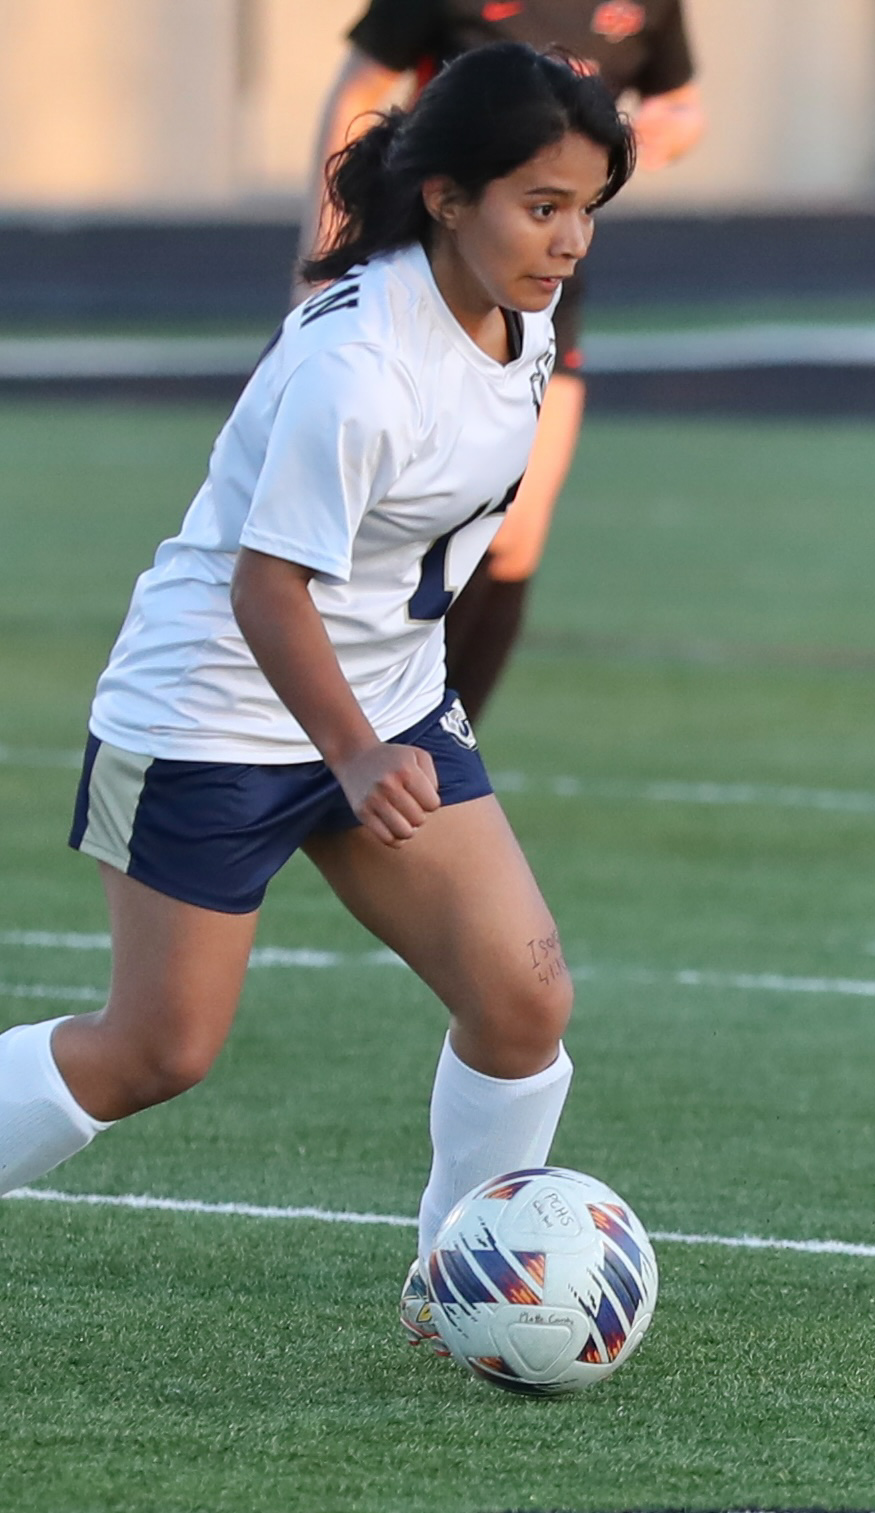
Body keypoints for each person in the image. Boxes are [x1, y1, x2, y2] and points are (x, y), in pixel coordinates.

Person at [0, 43, 634, 1354]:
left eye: (586, 208)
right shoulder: (357, 366)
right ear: (448, 197)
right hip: (208, 718)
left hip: (382, 709)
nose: (570, 239)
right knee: (156, 1050)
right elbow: (266, 587)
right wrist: (353, 752)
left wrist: (381, 726)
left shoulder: (521, 321)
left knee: (522, 1001)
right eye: (541, 205)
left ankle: (460, 1282)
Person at [301, 0, 705, 723]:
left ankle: (436, 735)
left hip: (543, 285)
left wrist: (624, 142)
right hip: (443, 266)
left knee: (512, 538)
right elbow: (360, 89)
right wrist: (327, 252)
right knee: (404, 520)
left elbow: (682, 106)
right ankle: (362, 722)